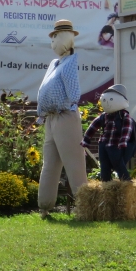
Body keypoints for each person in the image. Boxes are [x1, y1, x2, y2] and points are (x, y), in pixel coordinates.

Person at [35, 19, 88, 218]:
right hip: (51, 118)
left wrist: (64, 105)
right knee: (50, 164)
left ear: (64, 39)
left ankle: (84, 206)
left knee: (74, 163)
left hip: (65, 116)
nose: (53, 41)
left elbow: (74, 92)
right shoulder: (54, 64)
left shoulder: (70, 63)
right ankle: (45, 206)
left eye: (56, 37)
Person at [81, 85, 136, 181]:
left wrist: (123, 141)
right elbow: (93, 127)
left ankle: (126, 182)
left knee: (118, 164)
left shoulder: (124, 116)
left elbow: (127, 129)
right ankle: (106, 182)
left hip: (115, 145)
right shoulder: (104, 116)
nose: (107, 103)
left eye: (111, 99)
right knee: (104, 165)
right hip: (103, 144)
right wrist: (86, 139)